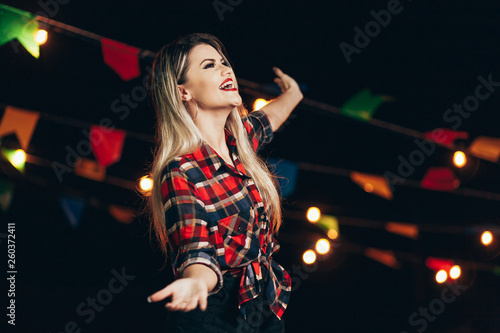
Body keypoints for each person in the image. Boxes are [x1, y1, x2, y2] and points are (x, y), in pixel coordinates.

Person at [146, 33, 303, 332]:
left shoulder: (239, 141)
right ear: (183, 92)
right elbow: (196, 250)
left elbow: (269, 117)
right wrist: (195, 282)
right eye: (209, 65)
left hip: (261, 307)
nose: (225, 69)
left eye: (224, 62)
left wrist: (293, 93)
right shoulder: (180, 169)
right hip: (212, 313)